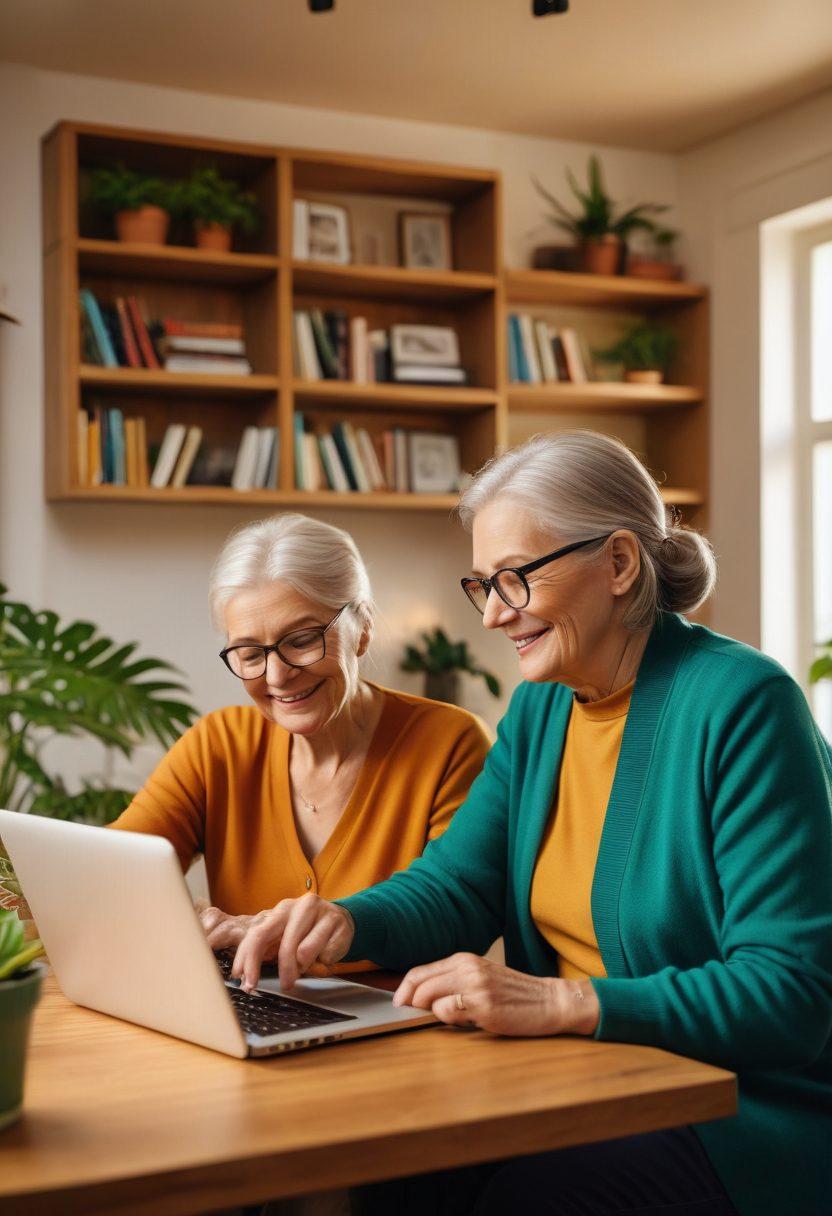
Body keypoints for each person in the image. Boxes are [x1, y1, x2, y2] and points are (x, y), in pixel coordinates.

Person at [229, 433, 832, 1216]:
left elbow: (788, 996)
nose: (491, 614)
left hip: (734, 1112)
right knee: (386, 1171)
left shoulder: (743, 704)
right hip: (581, 1081)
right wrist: (343, 923)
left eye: (513, 579)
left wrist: (559, 1004)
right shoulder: (543, 706)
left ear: (618, 564)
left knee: (520, 1197)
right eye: (482, 584)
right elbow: (458, 886)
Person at [111, 513, 490, 971]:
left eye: (302, 640)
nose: (277, 675)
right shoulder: (219, 745)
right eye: (250, 653)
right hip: (256, 1019)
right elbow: (114, 873)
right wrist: (187, 921)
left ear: (362, 628)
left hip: (403, 1024)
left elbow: (462, 913)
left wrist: (333, 928)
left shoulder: (449, 743)